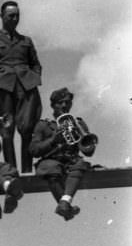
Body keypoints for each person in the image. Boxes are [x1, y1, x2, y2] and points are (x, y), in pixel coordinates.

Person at [0, 1, 42, 173]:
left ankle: (27, 171)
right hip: (4, 90)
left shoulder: (26, 41)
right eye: (11, 15)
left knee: (27, 128)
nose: (15, 19)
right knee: (6, 130)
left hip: (26, 89)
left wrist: (34, 79)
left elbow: (36, 65)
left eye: (17, 16)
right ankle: (11, 171)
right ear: (2, 16)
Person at [31, 87, 98, 221]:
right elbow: (33, 150)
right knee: (50, 168)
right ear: (52, 105)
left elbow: (88, 152)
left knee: (81, 164)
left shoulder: (78, 123)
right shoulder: (43, 125)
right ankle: (65, 205)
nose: (64, 105)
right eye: (60, 102)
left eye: (67, 102)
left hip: (72, 162)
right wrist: (53, 140)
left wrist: (81, 135)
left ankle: (64, 204)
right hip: (52, 160)